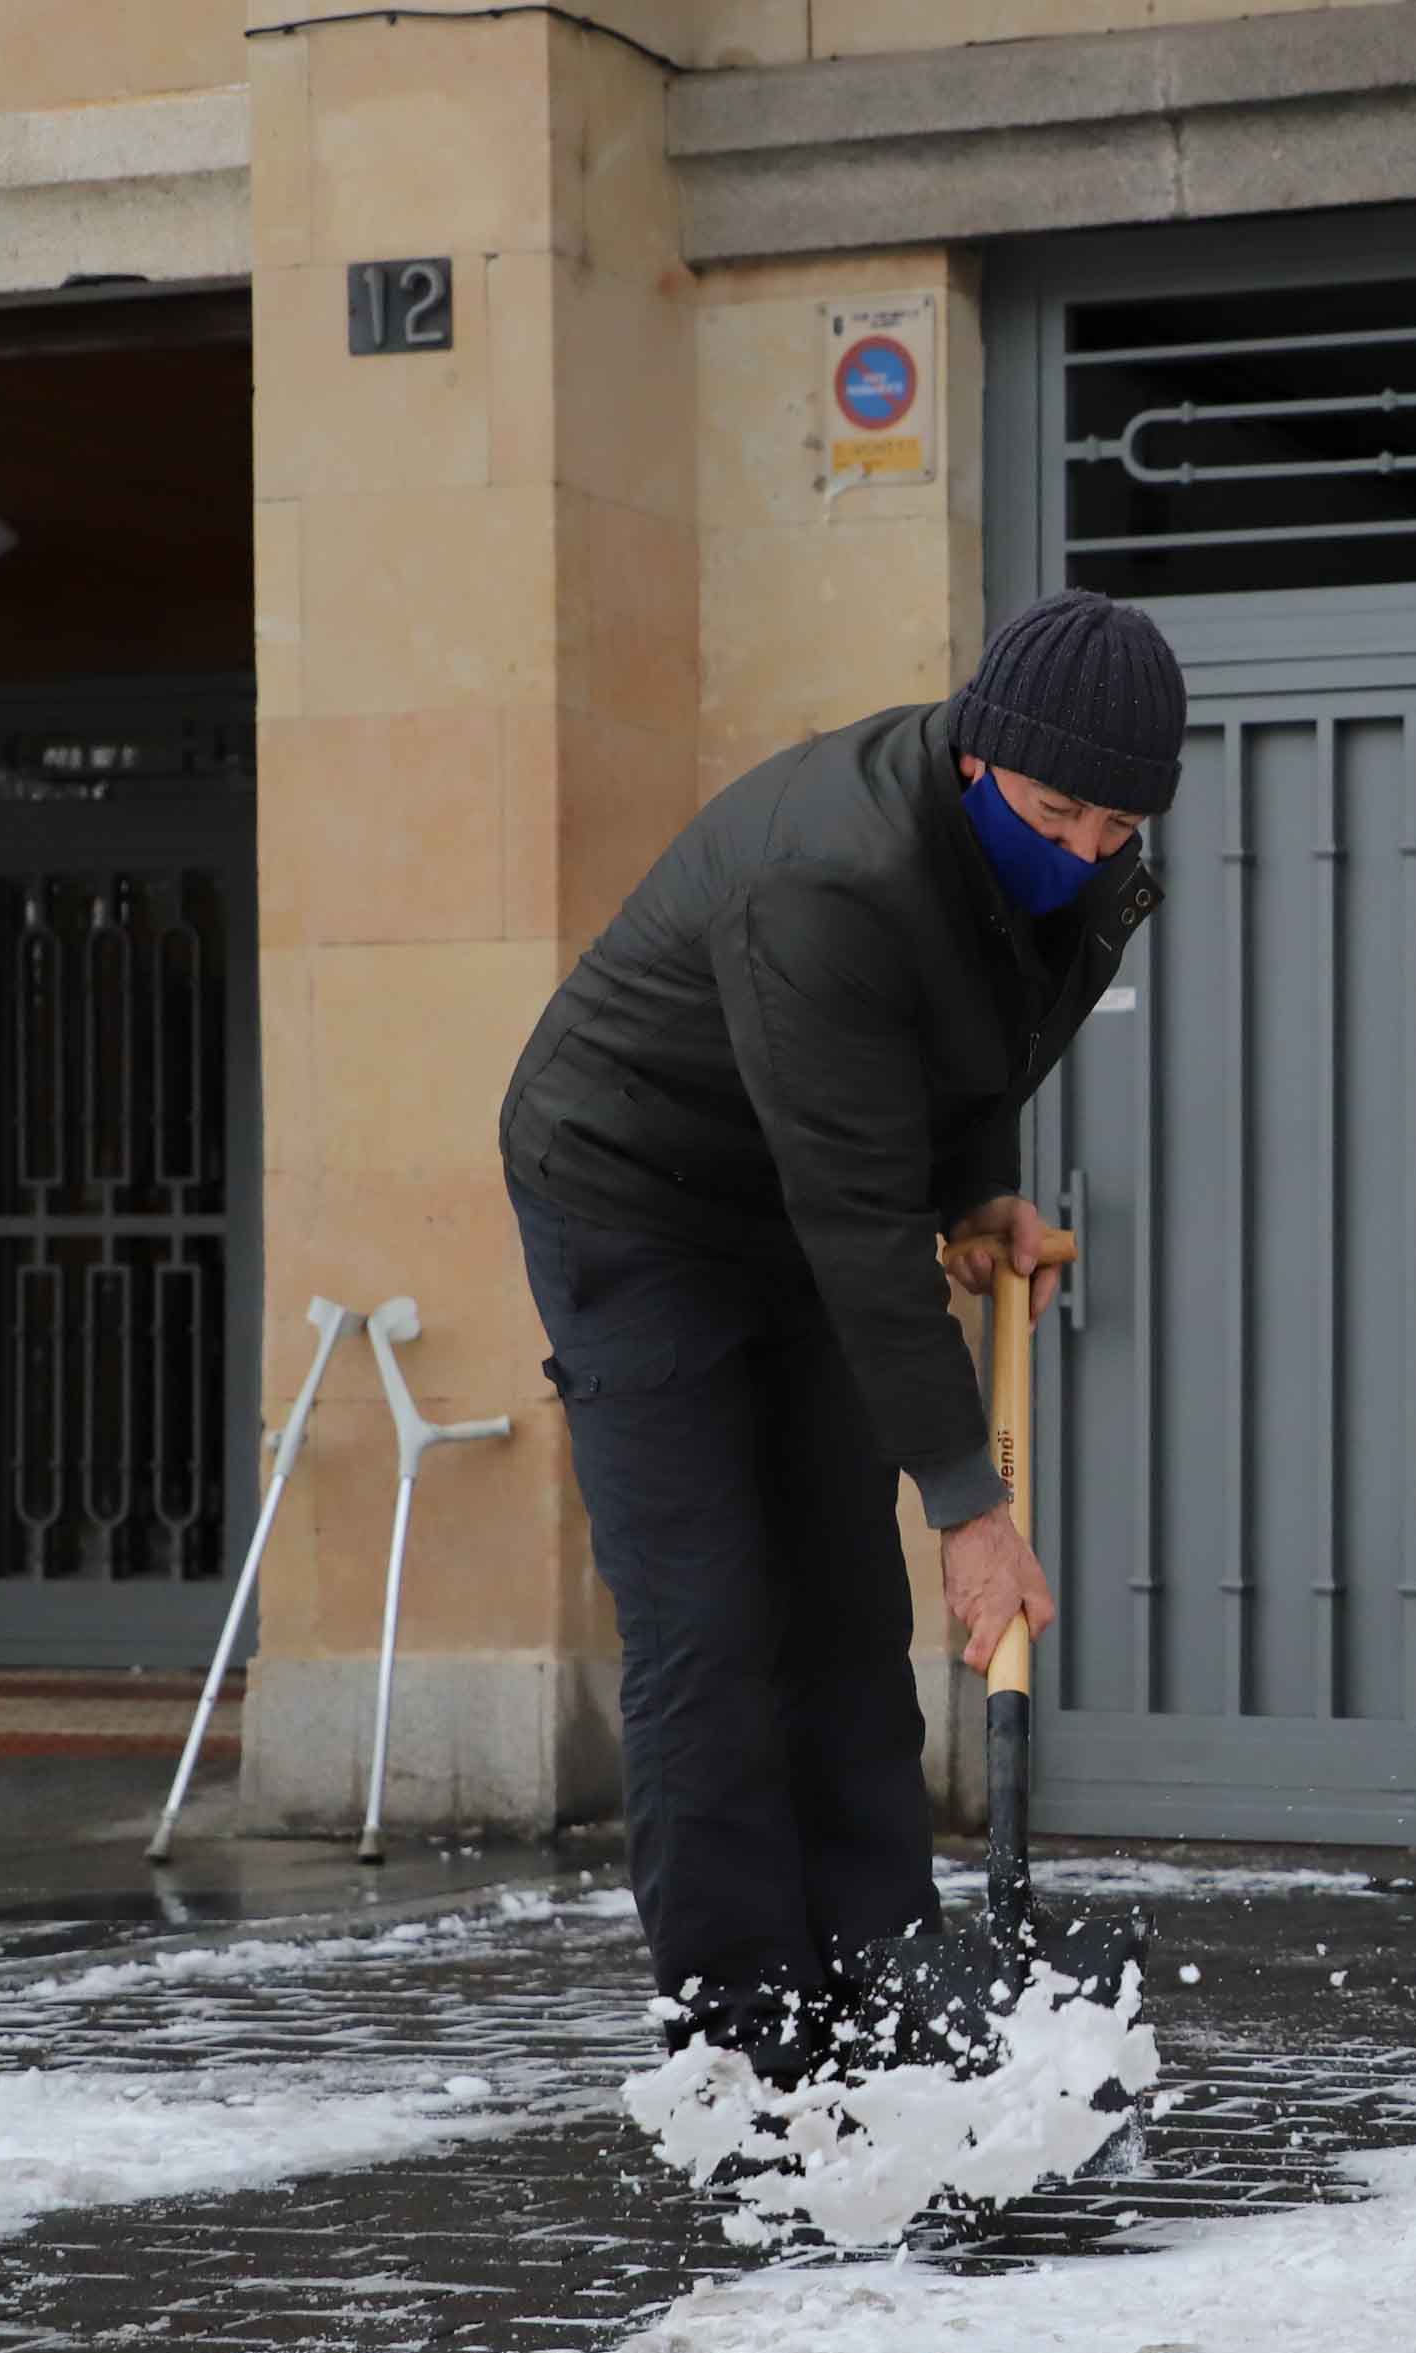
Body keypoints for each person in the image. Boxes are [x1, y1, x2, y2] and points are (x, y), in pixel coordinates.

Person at [497, 589, 1185, 2080]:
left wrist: (979, 1191)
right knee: (711, 1621)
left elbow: (967, 1046)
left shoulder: (1087, 875)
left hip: (814, 1185)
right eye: (1056, 808)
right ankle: (745, 2044)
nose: (1082, 849)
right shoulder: (834, 875)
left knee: (843, 1611)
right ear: (976, 760)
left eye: (1116, 825)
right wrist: (971, 1505)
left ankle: (885, 1984)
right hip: (635, 1198)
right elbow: (860, 1227)